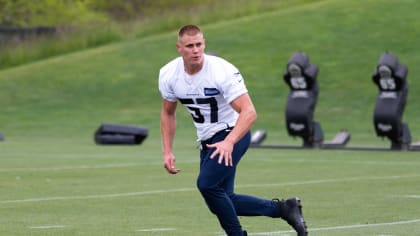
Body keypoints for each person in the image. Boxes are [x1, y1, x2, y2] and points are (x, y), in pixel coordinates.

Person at [159, 24, 308, 236]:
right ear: (179, 48)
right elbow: (168, 113)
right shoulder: (168, 74)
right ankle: (285, 209)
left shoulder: (222, 71)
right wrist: (167, 150)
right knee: (221, 200)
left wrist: (229, 141)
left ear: (204, 44)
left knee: (207, 185)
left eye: (199, 44)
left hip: (233, 133)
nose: (195, 50)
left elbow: (249, 112)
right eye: (190, 46)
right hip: (208, 140)